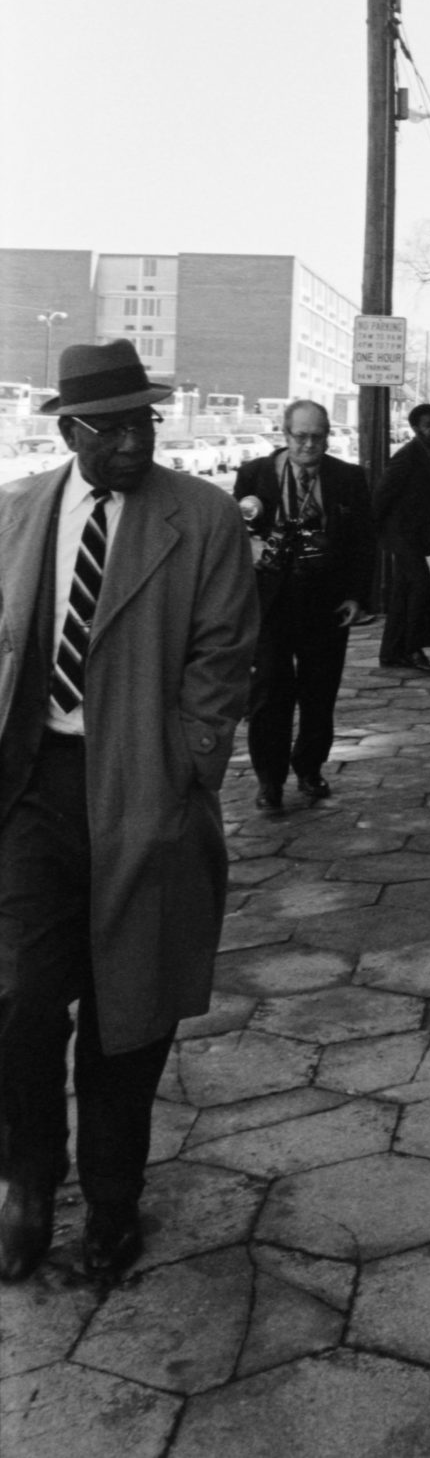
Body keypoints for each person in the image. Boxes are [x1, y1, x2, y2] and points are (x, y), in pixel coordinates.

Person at [0, 341, 257, 1284]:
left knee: (127, 1012)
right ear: (70, 431)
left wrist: (187, 766)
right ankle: (27, 1180)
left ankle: (112, 1201)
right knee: (20, 1000)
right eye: (111, 428)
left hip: (144, 788)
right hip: (32, 787)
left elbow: (224, 653)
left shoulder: (202, 516)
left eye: (145, 421)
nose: (133, 442)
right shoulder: (21, 510)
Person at [234, 399, 377, 813]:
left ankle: (310, 768)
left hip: (326, 604)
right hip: (271, 604)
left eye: (317, 437)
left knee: (319, 695)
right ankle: (270, 781)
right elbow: (236, 533)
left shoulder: (348, 478)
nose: (309, 445)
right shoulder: (255, 475)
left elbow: (364, 543)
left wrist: (357, 596)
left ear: (328, 436)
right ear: (285, 434)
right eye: (301, 437)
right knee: (268, 697)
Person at [373, 402, 430, 677]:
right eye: (428, 426)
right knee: (420, 588)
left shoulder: (428, 454)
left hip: (415, 536)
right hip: (401, 536)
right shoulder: (407, 456)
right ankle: (414, 649)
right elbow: (381, 496)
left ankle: (392, 651)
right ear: (416, 429)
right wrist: (382, 534)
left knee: (403, 592)